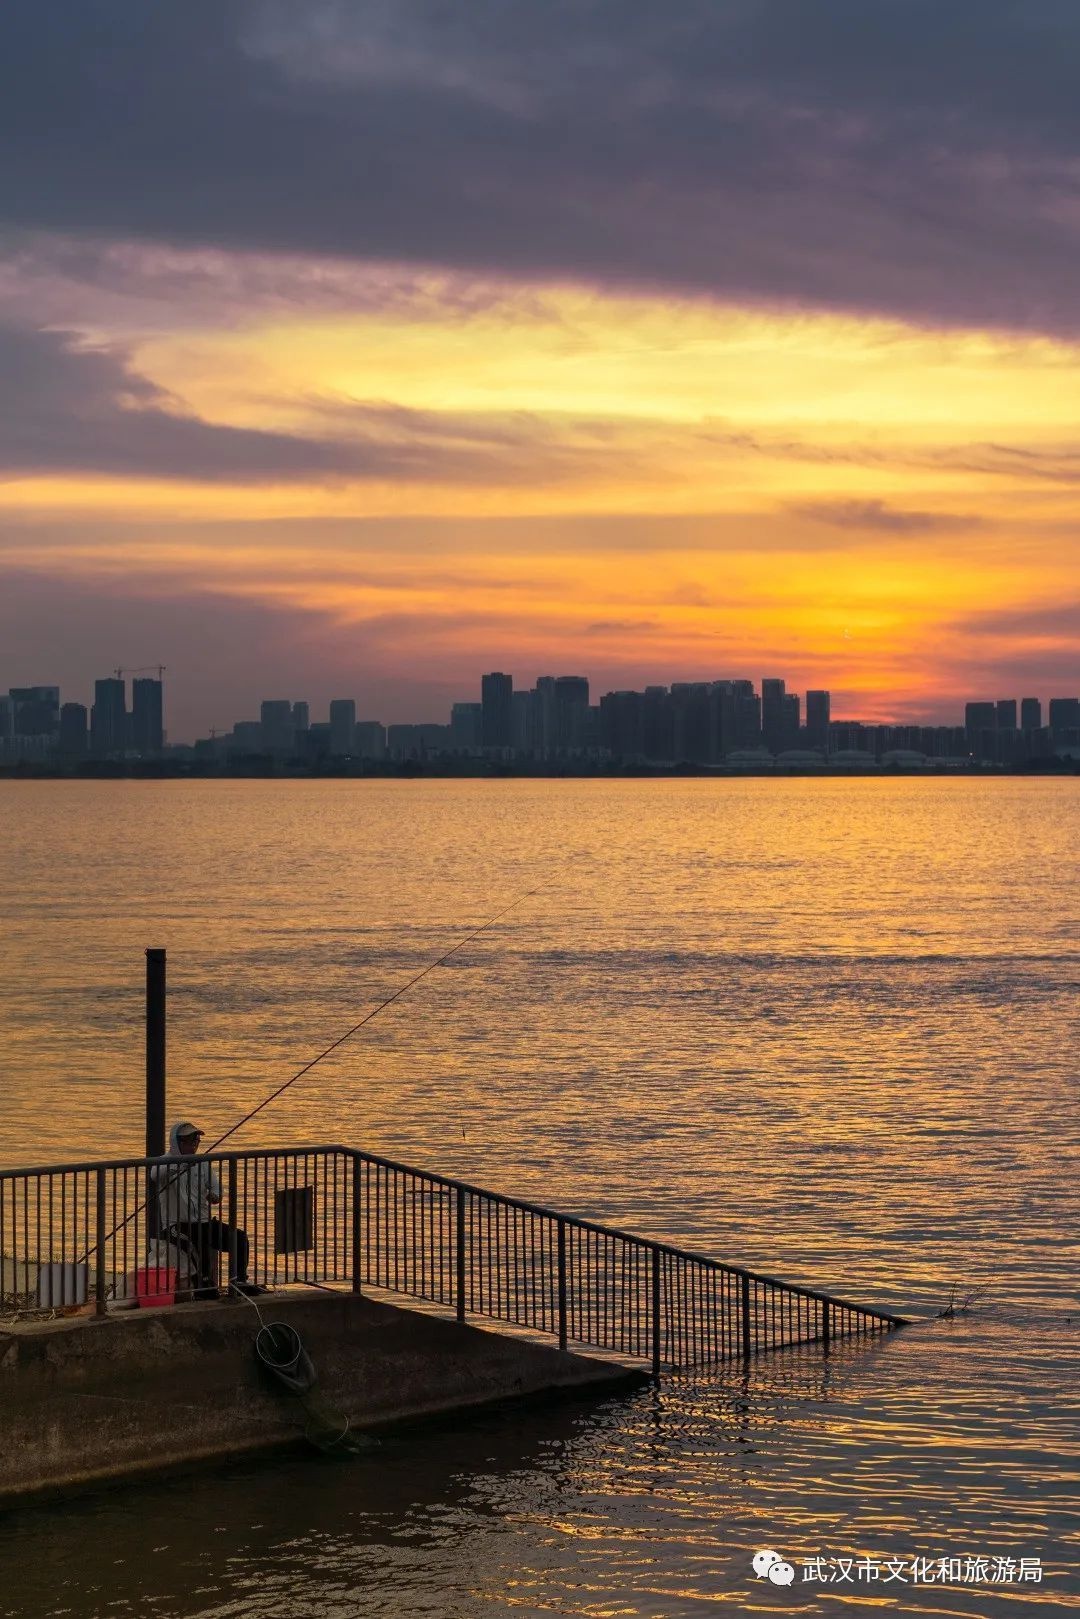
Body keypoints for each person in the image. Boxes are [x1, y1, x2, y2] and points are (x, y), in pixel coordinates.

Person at [151, 1122, 263, 1298]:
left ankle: (239, 1282)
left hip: (203, 1222)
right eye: (189, 1140)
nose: (194, 1144)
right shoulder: (163, 1162)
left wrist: (214, 1196)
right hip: (176, 1225)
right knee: (197, 1243)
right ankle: (203, 1286)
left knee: (239, 1238)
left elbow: (217, 1190)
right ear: (177, 1142)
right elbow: (156, 1174)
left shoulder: (202, 1164)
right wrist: (181, 1165)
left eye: (196, 1140)